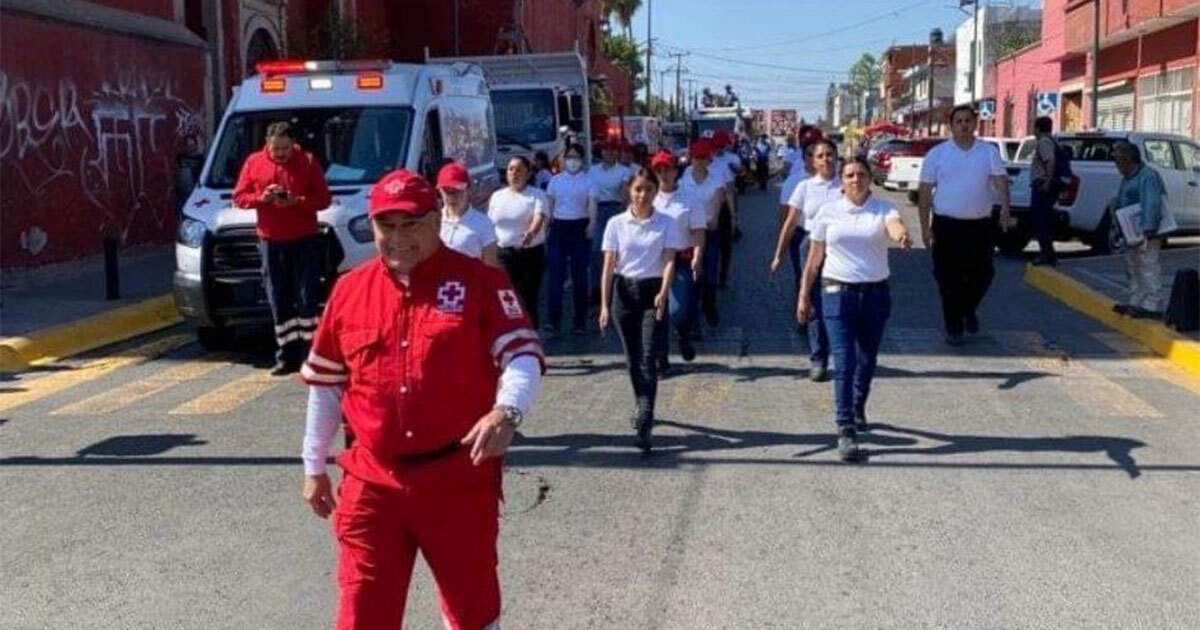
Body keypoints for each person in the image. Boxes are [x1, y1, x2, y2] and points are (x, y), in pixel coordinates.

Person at [299, 168, 545, 630]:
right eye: (385, 226)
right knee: (361, 614)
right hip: (373, 480)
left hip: (456, 478)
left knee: (472, 611)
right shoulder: (350, 291)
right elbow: (327, 384)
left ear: (436, 219)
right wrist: (313, 466)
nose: (398, 238)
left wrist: (506, 411)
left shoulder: (480, 282)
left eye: (411, 224)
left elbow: (522, 357)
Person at [798, 157, 911, 462]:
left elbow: (894, 225)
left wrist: (901, 234)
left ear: (869, 178)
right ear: (842, 179)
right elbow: (814, 258)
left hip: (875, 294)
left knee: (867, 358)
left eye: (861, 174)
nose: (855, 180)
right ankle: (845, 427)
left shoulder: (883, 208)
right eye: (849, 175)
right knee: (844, 360)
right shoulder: (828, 212)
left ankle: (858, 402)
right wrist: (804, 295)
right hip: (836, 293)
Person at [599, 167, 689, 453]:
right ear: (630, 191)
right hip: (623, 293)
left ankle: (646, 416)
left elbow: (669, 260)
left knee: (649, 356)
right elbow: (609, 266)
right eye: (638, 189)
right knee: (632, 357)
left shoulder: (666, 222)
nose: (642, 195)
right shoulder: (616, 223)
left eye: (648, 190)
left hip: (653, 293)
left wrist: (664, 291)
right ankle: (641, 402)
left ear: (654, 192)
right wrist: (603, 304)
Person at [232, 121, 332, 375]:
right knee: (278, 298)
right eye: (276, 149)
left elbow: (323, 200)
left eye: (285, 149)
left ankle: (311, 355)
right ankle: (286, 356)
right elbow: (239, 197)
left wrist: (296, 202)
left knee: (307, 299)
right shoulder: (254, 162)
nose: (280, 154)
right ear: (267, 145)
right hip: (271, 241)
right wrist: (261, 198)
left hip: (304, 241)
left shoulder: (308, 162)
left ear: (293, 145)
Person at [917, 105, 1011, 346]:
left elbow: (1001, 181)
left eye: (968, 120)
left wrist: (1005, 210)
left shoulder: (988, 152)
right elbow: (925, 192)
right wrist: (925, 227)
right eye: (958, 121)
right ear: (952, 125)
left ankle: (968, 308)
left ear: (974, 123)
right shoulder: (937, 154)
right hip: (946, 226)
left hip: (979, 226)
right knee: (947, 278)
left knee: (983, 274)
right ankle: (954, 327)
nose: (963, 125)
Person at [771, 139, 841, 381]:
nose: (825, 160)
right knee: (814, 301)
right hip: (811, 247)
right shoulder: (804, 187)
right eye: (820, 156)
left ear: (836, 157)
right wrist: (779, 254)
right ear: (812, 161)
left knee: (840, 300)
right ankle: (818, 358)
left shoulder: (847, 185)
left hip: (840, 249)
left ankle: (842, 353)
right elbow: (790, 223)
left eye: (829, 154)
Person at [650, 149, 706, 372]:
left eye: (668, 169)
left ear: (676, 171)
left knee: (678, 310)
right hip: (653, 262)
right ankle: (660, 358)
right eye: (659, 170)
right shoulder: (649, 197)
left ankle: (683, 333)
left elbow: (699, 231)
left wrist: (698, 257)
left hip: (681, 259)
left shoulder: (689, 199)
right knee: (656, 311)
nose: (664, 174)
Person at [1110, 141, 1170, 319]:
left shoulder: (1147, 176)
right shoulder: (1129, 177)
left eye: (1118, 158)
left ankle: (1152, 304)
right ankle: (1136, 301)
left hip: (1145, 230)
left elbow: (1152, 202)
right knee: (1133, 266)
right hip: (1132, 230)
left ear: (1129, 158)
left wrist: (1149, 227)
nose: (1116, 163)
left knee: (1147, 265)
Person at [488, 156, 549, 328]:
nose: (514, 173)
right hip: (505, 254)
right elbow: (490, 224)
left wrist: (531, 233)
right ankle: (510, 332)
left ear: (528, 173)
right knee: (507, 296)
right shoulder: (497, 197)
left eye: (519, 170)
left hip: (530, 253)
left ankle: (531, 335)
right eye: (510, 169)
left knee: (528, 297)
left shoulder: (537, 195)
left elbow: (539, 217)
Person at [679, 139, 734, 327]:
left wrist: (716, 219)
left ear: (708, 159)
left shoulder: (716, 178)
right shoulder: (683, 180)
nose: (699, 162)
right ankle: (692, 315)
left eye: (703, 158)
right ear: (691, 159)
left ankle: (710, 305)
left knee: (710, 269)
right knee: (692, 271)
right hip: (689, 233)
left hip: (710, 230)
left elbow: (719, 200)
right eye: (696, 158)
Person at [545, 143, 596, 337]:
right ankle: (553, 321)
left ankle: (579, 321)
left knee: (580, 278)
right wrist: (546, 228)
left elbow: (592, 206)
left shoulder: (588, 181)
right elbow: (549, 206)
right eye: (570, 157)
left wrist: (591, 227)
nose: (573, 161)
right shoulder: (555, 181)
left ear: (581, 160)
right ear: (564, 159)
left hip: (579, 229)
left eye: (576, 157)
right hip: (558, 228)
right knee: (556, 277)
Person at [588, 140, 633, 301]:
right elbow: (590, 192)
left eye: (613, 150)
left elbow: (625, 192)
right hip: (598, 209)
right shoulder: (592, 170)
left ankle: (615, 289)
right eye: (606, 150)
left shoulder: (624, 171)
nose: (609, 153)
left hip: (616, 208)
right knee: (596, 251)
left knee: (616, 251)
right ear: (602, 152)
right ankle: (595, 289)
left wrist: (623, 211)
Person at [437, 161, 500, 267]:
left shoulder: (484, 224)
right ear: (440, 191)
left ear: (468, 190)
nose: (452, 197)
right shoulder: (433, 221)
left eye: (458, 190)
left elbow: (491, 269)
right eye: (447, 191)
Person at [709, 130, 741, 286]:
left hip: (729, 196)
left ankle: (723, 274)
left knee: (726, 243)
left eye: (722, 145)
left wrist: (734, 216)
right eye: (717, 146)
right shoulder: (709, 160)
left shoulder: (732, 158)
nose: (719, 149)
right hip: (710, 202)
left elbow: (740, 172)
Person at [1028, 116, 1059, 266]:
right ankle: (1048, 253)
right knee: (1042, 220)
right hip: (1043, 185)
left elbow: (1050, 160)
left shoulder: (1044, 142)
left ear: (1038, 129)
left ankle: (1046, 254)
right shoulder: (1051, 141)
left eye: (1035, 128)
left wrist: (1047, 181)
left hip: (1042, 186)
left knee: (1040, 221)